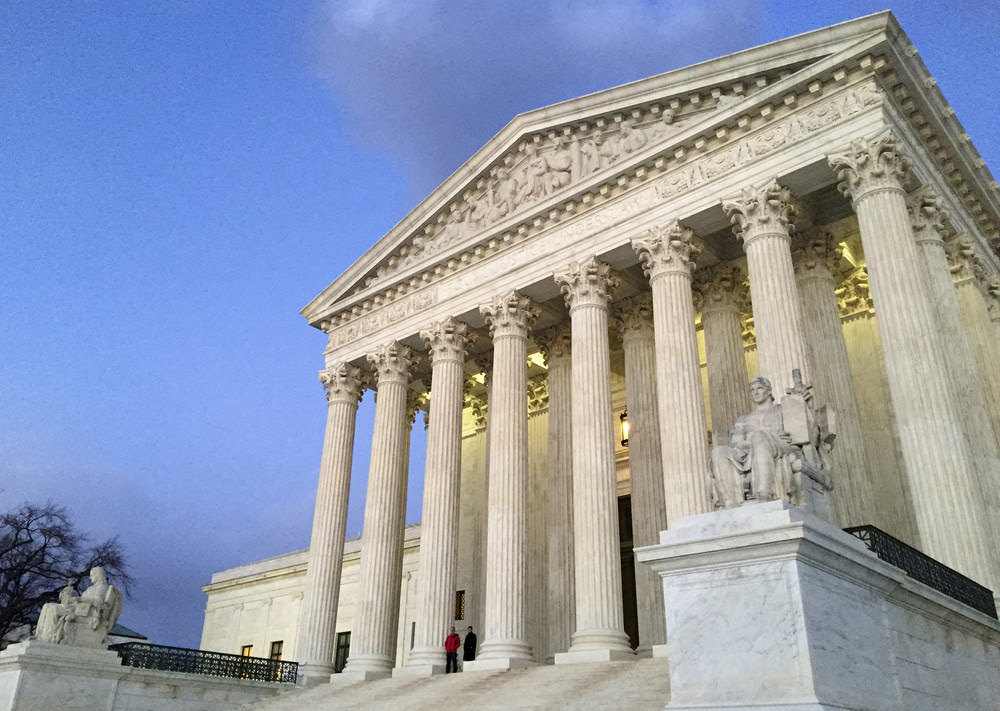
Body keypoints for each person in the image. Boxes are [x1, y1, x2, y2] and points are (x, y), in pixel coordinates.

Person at [709, 376, 797, 507]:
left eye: (759, 388)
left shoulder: (782, 410)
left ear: (769, 391)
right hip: (747, 451)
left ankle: (764, 492)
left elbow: (802, 432)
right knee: (718, 452)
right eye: (752, 390)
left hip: (780, 447)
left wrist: (804, 402)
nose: (755, 392)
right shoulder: (744, 419)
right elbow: (736, 443)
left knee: (759, 436)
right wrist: (751, 442)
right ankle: (731, 503)